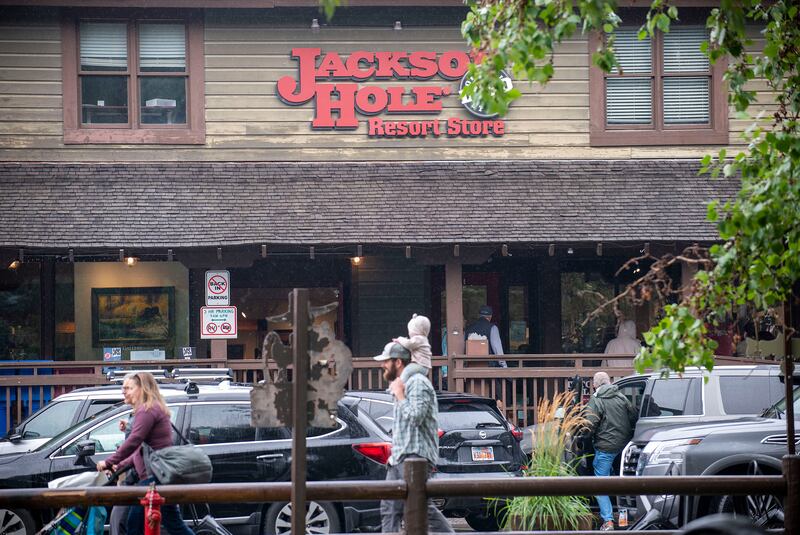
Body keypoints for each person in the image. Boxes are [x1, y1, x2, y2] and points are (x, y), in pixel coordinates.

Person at [97, 373, 194, 535]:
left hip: (153, 477)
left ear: (142, 388)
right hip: (158, 475)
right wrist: (119, 465)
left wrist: (108, 462)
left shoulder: (147, 410)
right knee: (174, 525)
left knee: (134, 525)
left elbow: (134, 441)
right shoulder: (152, 408)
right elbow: (139, 451)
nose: (124, 391)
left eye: (129, 388)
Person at [374, 341, 453, 533]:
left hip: (415, 456)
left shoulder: (418, 383)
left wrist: (400, 395)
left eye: (386, 361)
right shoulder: (405, 382)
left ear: (398, 362)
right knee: (389, 509)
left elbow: (416, 416)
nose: (382, 365)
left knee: (423, 509)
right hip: (400, 457)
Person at [584, 372, 638, 531]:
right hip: (624, 447)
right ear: (609, 382)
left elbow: (589, 423)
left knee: (600, 483)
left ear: (595, 384)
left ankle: (608, 521)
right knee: (621, 483)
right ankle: (623, 519)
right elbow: (634, 416)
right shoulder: (621, 397)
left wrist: (585, 436)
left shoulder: (597, 399)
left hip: (606, 448)